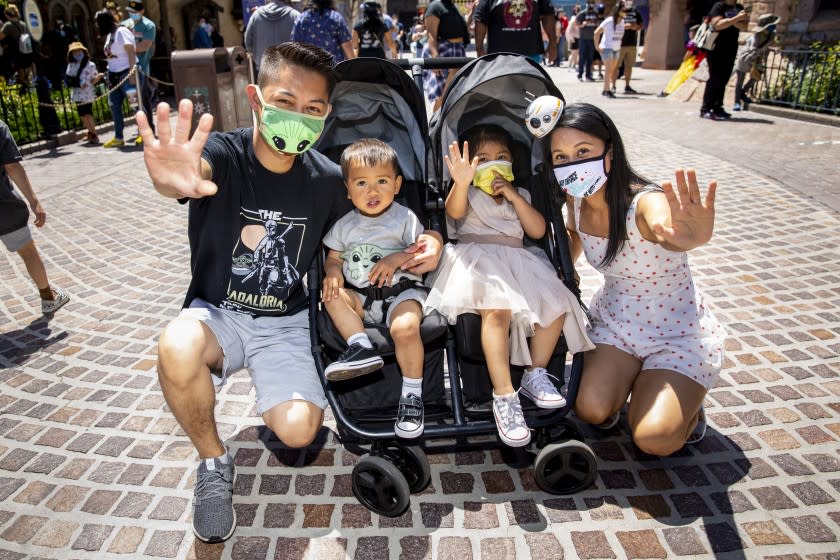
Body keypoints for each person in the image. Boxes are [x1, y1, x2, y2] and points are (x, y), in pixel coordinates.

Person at [135, 42, 443, 543]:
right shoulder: (225, 154)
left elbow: (381, 212)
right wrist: (176, 180)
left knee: (301, 432)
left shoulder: (326, 180)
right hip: (219, 313)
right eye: (285, 102)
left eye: (313, 110)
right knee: (175, 345)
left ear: (326, 118)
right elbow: (193, 175)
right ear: (256, 99)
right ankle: (214, 463)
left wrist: (432, 239)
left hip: (284, 322)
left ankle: (276, 393)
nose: (298, 119)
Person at [547, 102, 725, 455]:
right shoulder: (577, 200)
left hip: (675, 330)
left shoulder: (643, 202)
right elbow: (575, 239)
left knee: (653, 439)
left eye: (583, 152)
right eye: (561, 158)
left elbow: (664, 227)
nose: (573, 165)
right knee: (590, 410)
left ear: (609, 152)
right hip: (618, 323)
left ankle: (686, 404)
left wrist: (687, 236)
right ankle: (638, 384)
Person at [425, 125, 593, 447]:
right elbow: (453, 213)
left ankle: (535, 372)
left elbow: (538, 229)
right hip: (478, 259)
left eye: (501, 158)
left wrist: (515, 196)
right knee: (497, 310)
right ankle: (504, 395)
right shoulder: (468, 192)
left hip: (519, 259)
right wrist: (461, 182)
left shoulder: (522, 195)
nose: (493, 164)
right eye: (483, 159)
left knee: (557, 301)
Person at [321, 139, 428, 438]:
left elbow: (421, 252)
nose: (372, 191)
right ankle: (360, 345)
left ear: (396, 185)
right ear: (348, 189)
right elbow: (333, 258)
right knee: (331, 296)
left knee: (405, 328)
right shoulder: (344, 225)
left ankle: (412, 395)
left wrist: (398, 257)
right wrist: (332, 274)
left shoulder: (405, 218)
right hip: (361, 297)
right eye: (361, 183)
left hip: (401, 292)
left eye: (381, 181)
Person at [0, 120, 71, 315]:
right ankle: (48, 297)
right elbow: (12, 166)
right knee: (28, 252)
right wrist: (33, 200)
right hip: (4, 208)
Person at [699, 0, 749, 120]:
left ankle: (718, 108)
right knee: (715, 77)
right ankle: (705, 109)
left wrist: (731, 21)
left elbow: (744, 26)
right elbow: (717, 25)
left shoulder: (738, 7)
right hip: (716, 46)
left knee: (724, 78)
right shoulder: (719, 6)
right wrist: (736, 19)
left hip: (731, 47)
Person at [96, 10, 139, 149]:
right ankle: (119, 137)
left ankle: (143, 132)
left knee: (135, 105)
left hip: (126, 73)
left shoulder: (121, 31)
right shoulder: (110, 35)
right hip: (114, 76)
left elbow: (131, 52)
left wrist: (132, 73)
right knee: (115, 107)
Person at [474, 0, 556, 65]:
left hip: (530, 56)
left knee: (529, 85)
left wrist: (553, 43)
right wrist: (479, 49)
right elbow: (480, 19)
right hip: (498, 58)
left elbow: (548, 14)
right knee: (501, 85)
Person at [421, 0, 468, 109]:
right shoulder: (435, 6)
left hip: (458, 50)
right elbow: (431, 35)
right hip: (443, 51)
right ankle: (436, 124)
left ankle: (442, 123)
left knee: (454, 94)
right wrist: (435, 59)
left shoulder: (452, 6)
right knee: (442, 96)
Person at [123, 0, 156, 145]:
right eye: (130, 12)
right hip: (126, 69)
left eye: (135, 12)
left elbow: (144, 46)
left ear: (142, 12)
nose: (132, 14)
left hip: (141, 68)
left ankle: (148, 130)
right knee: (133, 102)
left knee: (143, 101)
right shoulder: (125, 25)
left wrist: (126, 48)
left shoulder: (149, 26)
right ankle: (141, 129)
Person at [733, 13, 779, 111]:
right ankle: (736, 101)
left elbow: (772, 43)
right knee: (740, 80)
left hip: (757, 58)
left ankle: (742, 93)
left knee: (756, 77)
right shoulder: (756, 36)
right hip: (746, 57)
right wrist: (763, 49)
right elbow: (752, 50)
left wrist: (772, 49)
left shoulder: (771, 35)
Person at [244, 0, 300, 75]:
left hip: (263, 67)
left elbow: (248, 42)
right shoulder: (295, 16)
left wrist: (257, 57)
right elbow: (303, 44)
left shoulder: (256, 15)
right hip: (288, 69)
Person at [65, 41, 103, 144]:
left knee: (88, 113)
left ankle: (94, 133)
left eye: (79, 51)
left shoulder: (90, 65)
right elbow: (69, 79)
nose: (77, 53)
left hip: (87, 93)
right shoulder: (71, 65)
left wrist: (98, 77)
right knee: (82, 114)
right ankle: (90, 131)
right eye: (75, 51)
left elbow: (93, 80)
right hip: (77, 93)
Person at [594, 2, 625, 98]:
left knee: (612, 70)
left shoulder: (622, 22)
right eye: (623, 10)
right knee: (608, 70)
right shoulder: (609, 21)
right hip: (607, 48)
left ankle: (606, 89)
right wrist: (597, 46)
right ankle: (606, 90)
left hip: (616, 48)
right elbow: (597, 32)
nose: (625, 12)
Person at [0, 5, 35, 85]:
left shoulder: (8, 25)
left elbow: (0, 37)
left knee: (21, 79)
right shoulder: (23, 24)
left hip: (16, 55)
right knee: (27, 77)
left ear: (7, 15)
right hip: (26, 53)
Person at [617, 0, 643, 93]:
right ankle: (612, 86)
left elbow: (641, 25)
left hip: (632, 43)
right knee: (616, 66)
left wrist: (636, 27)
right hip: (619, 44)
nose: (629, 2)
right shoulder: (619, 12)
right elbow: (613, 25)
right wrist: (624, 26)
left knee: (629, 66)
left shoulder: (635, 12)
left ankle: (627, 86)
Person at [575, 0, 600, 82]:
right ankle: (580, 74)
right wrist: (583, 25)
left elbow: (598, 24)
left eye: (592, 2)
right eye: (589, 2)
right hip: (583, 39)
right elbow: (577, 24)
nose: (591, 4)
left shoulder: (596, 14)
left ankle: (588, 75)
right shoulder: (582, 13)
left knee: (590, 58)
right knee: (582, 57)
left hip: (592, 39)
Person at [565, 5, 580, 70]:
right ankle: (573, 66)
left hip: (574, 37)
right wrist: (571, 38)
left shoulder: (574, 18)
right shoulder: (574, 18)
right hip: (574, 38)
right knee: (574, 53)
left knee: (574, 52)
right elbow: (569, 29)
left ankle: (571, 66)